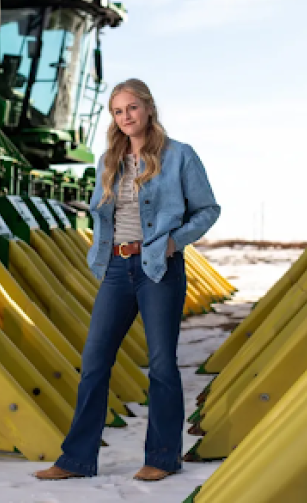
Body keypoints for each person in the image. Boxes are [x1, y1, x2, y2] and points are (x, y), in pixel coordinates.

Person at [33, 78, 220, 481]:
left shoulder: (180, 156)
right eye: (118, 111)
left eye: (131, 108)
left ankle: (163, 457)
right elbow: (106, 214)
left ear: (148, 108)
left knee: (161, 365)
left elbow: (207, 210)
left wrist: (173, 242)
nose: (126, 117)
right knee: (95, 362)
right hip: (116, 269)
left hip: (158, 267)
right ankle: (76, 460)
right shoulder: (108, 160)